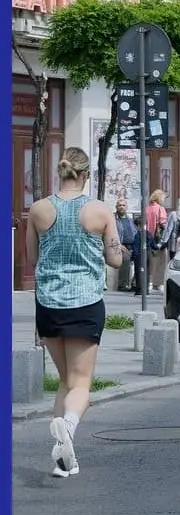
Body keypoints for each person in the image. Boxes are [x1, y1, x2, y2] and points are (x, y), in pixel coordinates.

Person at [29, 148, 127, 478]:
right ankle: (68, 429)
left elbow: (32, 257)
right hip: (85, 302)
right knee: (82, 383)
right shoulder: (99, 210)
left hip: (48, 304)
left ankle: (63, 460)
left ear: (60, 172)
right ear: (86, 175)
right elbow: (115, 260)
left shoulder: (39, 209)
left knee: (65, 381)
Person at [145, 189, 173, 292]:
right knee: (161, 262)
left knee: (150, 262)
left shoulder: (146, 209)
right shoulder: (161, 209)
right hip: (158, 240)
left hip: (148, 238)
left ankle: (149, 282)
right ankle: (158, 283)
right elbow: (164, 225)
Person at [113, 199, 138, 292]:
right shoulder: (113, 219)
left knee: (142, 259)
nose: (121, 207)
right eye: (119, 205)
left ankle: (135, 284)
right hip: (121, 246)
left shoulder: (130, 220)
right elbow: (111, 234)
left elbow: (134, 232)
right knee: (126, 259)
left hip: (133, 246)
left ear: (126, 207)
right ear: (116, 207)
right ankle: (122, 284)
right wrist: (119, 244)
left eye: (123, 205)